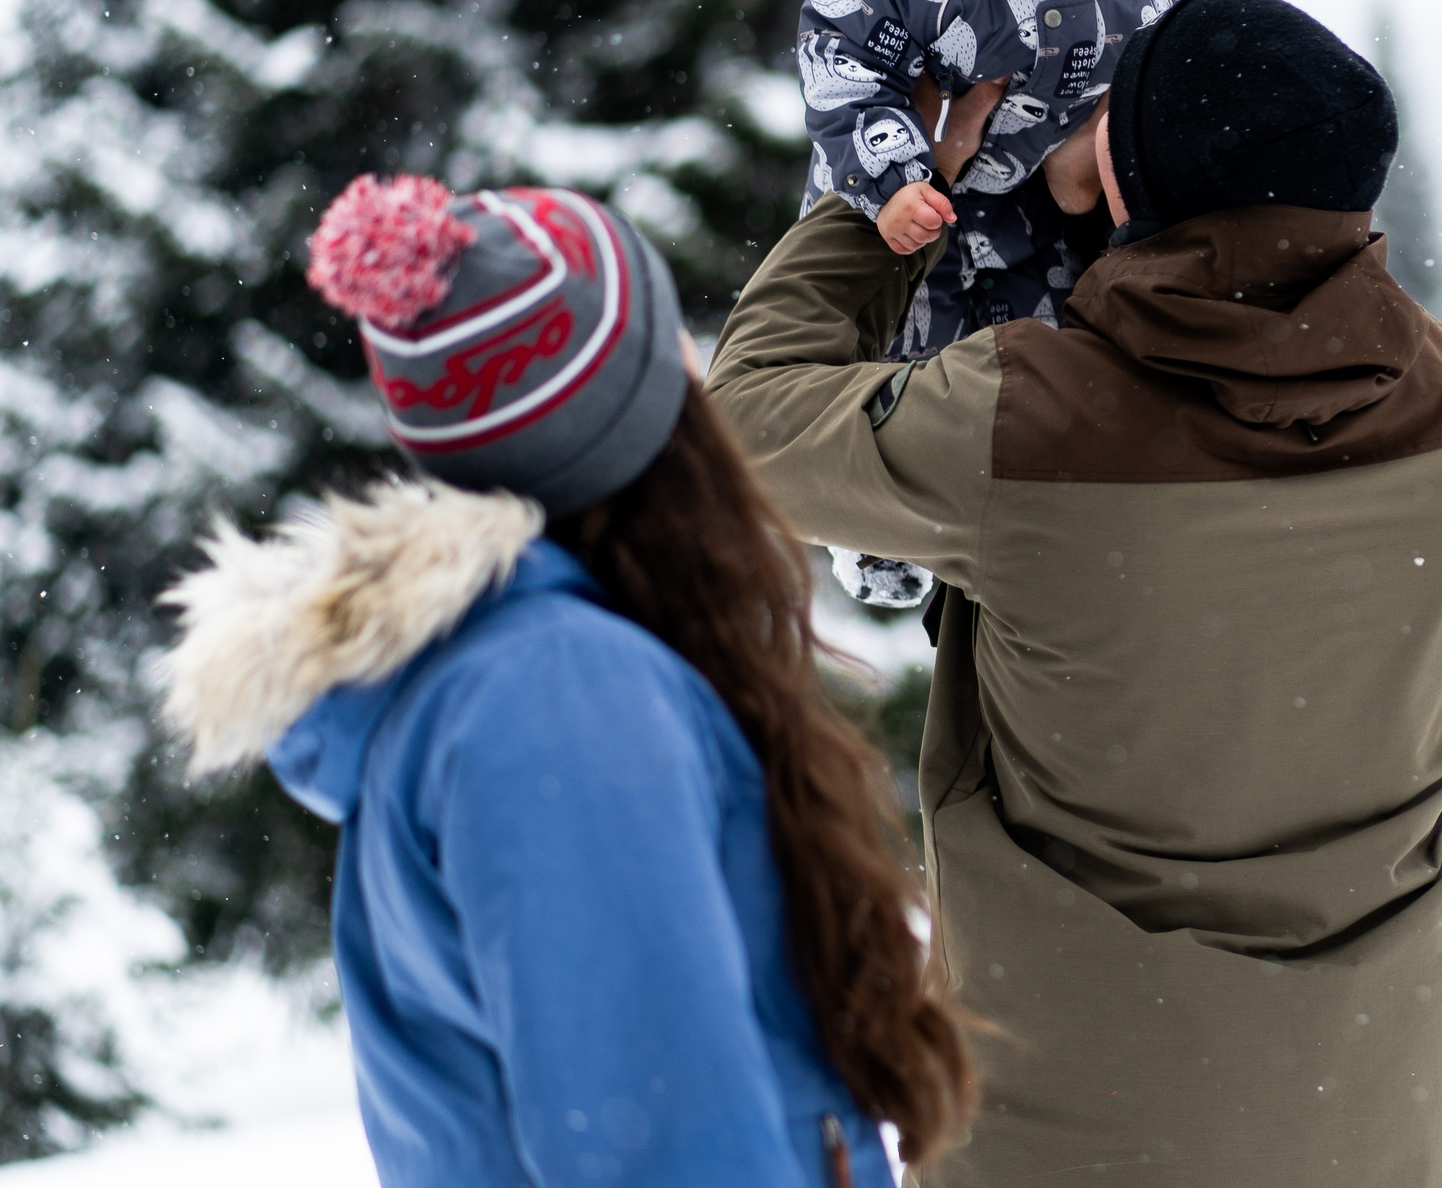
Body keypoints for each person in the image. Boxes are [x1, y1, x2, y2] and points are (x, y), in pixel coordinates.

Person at [710, 0, 1442, 1184]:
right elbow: (1252, 344)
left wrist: (894, 199)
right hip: (1379, 1122)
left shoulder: (1027, 422)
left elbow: (743, 421)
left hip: (1072, 1133)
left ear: (1130, 180)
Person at [154, 175, 974, 1188]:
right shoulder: (558, 697)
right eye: (670, 330)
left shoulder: (532, 675)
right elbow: (661, 1150)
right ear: (633, 410)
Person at [793, 0, 1234, 605]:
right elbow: (840, 57)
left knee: (1047, 371)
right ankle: (885, 541)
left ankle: (1054, 537)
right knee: (910, 360)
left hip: (1059, 217)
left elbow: (1220, 79)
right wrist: (898, 172)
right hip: (922, 204)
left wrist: (1139, 184)